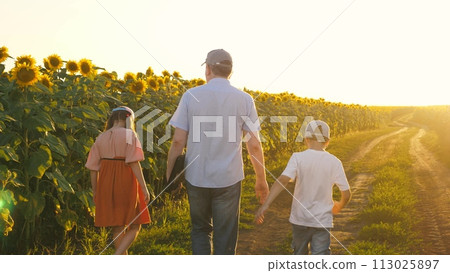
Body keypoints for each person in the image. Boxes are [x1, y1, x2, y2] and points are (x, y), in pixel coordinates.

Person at [166, 49, 269, 255]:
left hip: (197, 176)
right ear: (230, 72)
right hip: (229, 179)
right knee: (225, 235)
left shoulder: (191, 96)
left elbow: (178, 141)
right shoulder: (245, 99)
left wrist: (169, 175)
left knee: (200, 230)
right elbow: (254, 144)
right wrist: (261, 179)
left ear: (208, 69)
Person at [255, 120, 351, 255]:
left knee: (299, 254)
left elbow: (283, 180)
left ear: (306, 139)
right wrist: (339, 205)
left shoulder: (298, 158)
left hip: (300, 219)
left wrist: (266, 204)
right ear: (327, 141)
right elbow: (346, 194)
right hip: (322, 220)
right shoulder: (335, 162)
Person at [85, 106, 151, 255]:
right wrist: (144, 187)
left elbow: (93, 168)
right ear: (129, 119)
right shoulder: (129, 135)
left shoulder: (101, 137)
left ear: (113, 118)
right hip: (125, 179)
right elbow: (134, 162)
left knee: (118, 226)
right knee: (135, 225)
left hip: (105, 182)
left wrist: (96, 191)